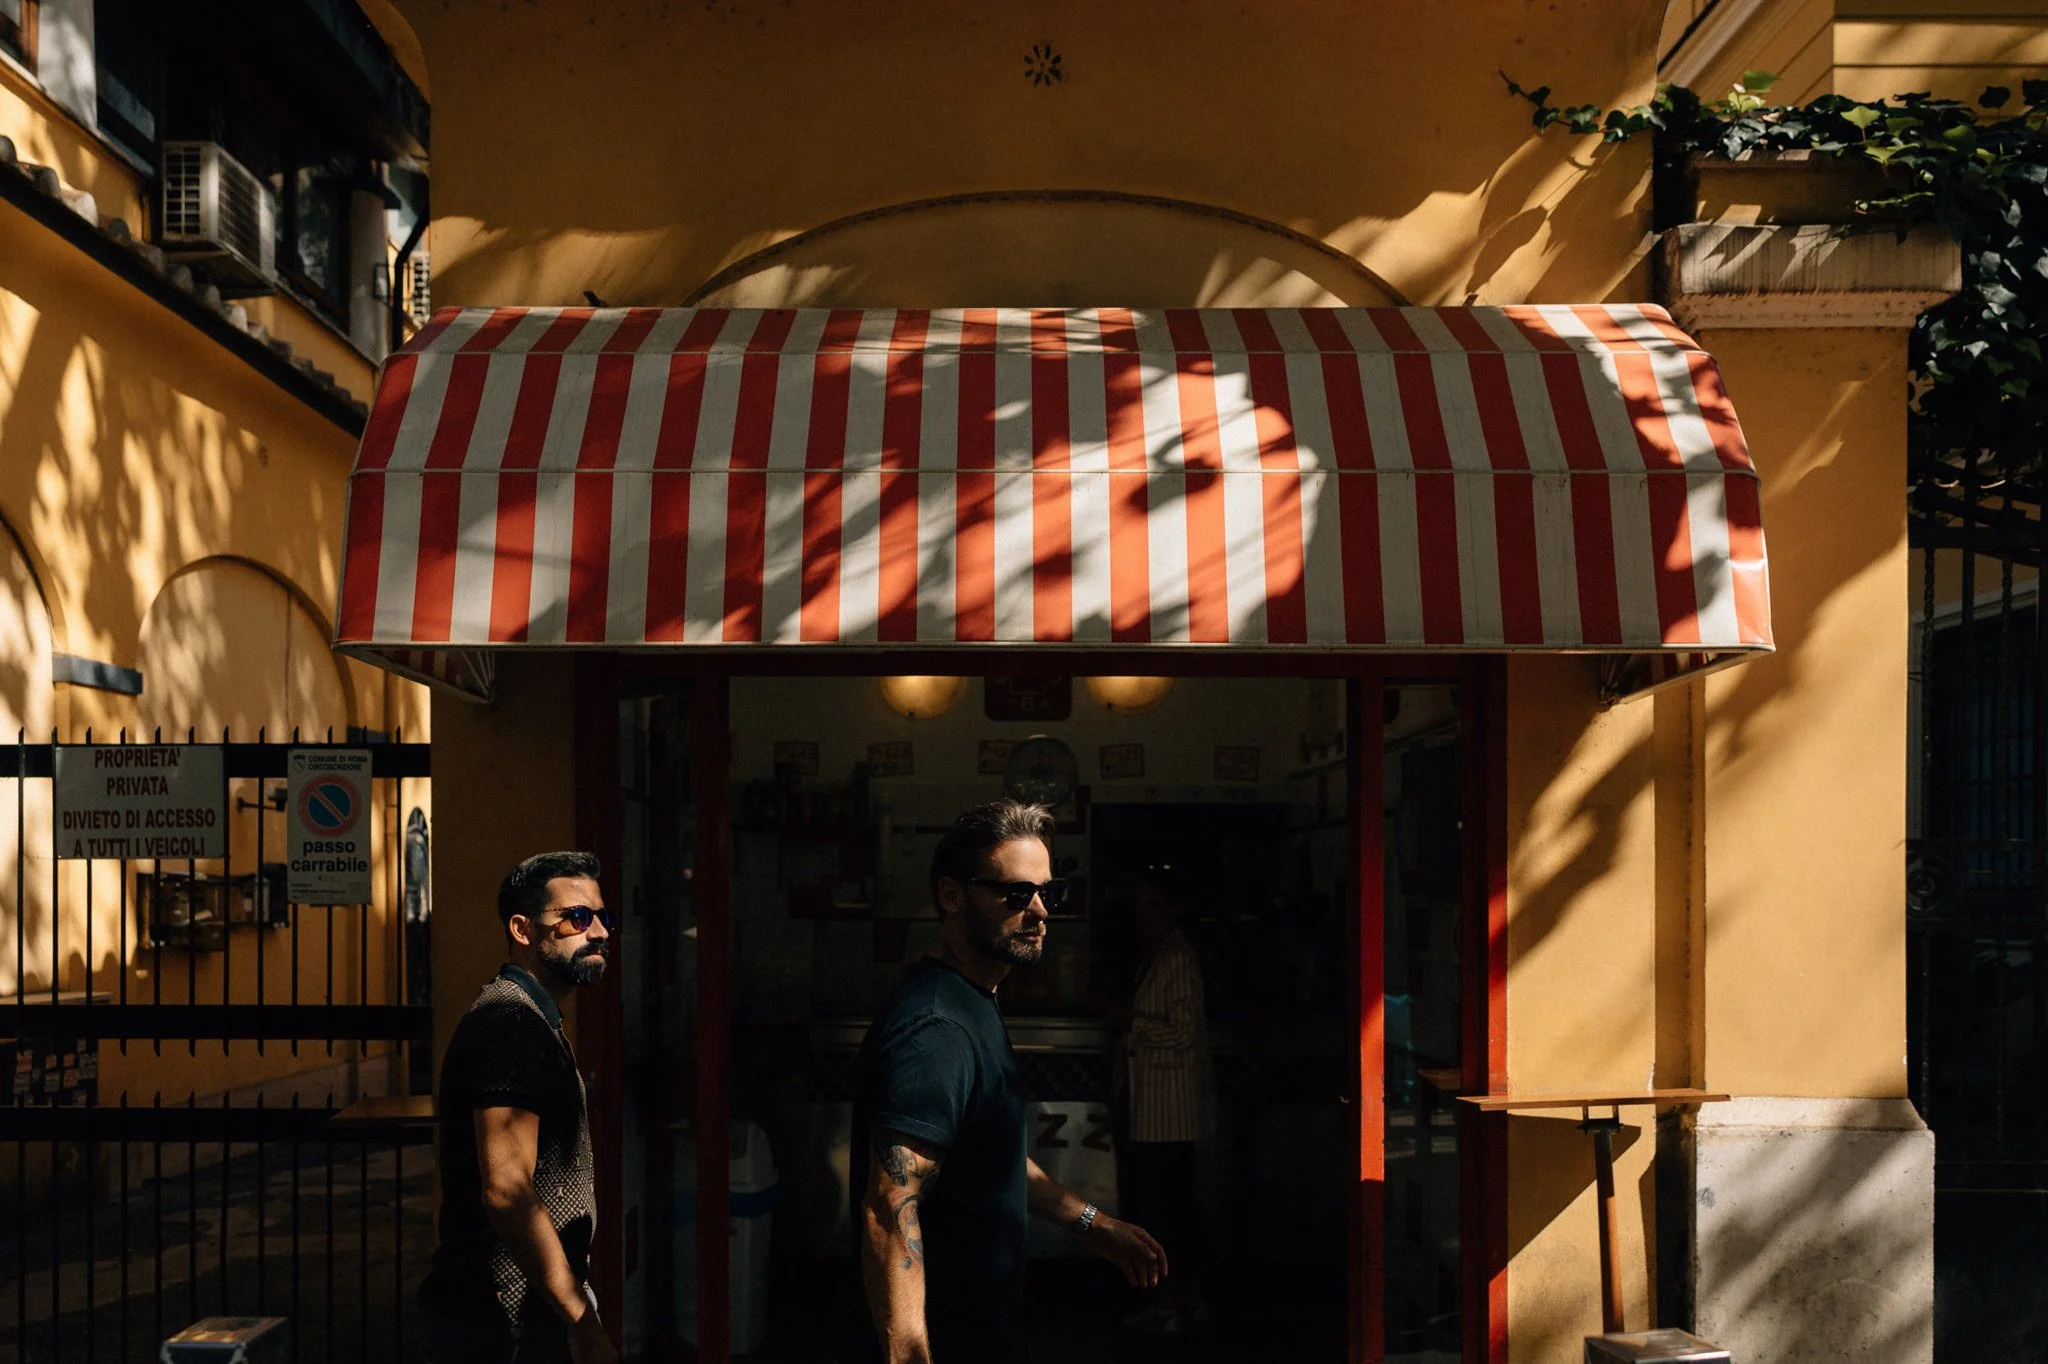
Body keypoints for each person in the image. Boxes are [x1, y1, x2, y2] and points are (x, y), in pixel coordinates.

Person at [853, 800, 1169, 1364]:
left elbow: (989, 1153)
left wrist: (1092, 1223)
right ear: (952, 896)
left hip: (980, 1328)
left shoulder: (973, 999)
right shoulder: (938, 1027)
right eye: (1017, 894)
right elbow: (889, 1207)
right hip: (943, 1338)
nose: (1041, 911)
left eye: (1049, 892)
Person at [418, 851, 617, 1364]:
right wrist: (579, 1317)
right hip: (499, 1322)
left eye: (602, 916)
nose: (598, 932)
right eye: (577, 917)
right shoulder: (511, 1024)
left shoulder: (531, 1019)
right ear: (523, 929)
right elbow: (506, 1190)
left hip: (521, 1312)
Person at [1113, 865, 1218, 1335]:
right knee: (1171, 1207)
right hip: (1159, 1109)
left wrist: (1130, 1022)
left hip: (1168, 1110)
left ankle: (1172, 1302)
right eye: (1140, 905)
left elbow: (1183, 1032)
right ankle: (1185, 1299)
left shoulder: (1176, 958)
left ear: (1176, 909)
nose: (1144, 914)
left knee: (1165, 1209)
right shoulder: (1159, 955)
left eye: (1154, 904)